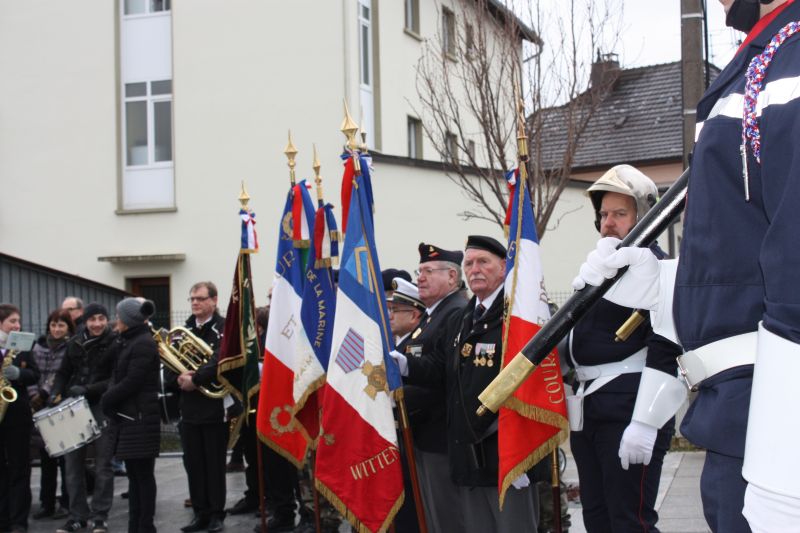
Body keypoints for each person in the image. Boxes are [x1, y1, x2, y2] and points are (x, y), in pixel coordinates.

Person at [572, 1, 800, 530]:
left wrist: (787, 440)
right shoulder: (767, 51)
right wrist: (666, 292)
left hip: (771, 409)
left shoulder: (788, 56)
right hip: (740, 407)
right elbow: (745, 251)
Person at [563, 166, 683, 531]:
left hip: (629, 411)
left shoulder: (661, 270)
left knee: (631, 522)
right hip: (590, 412)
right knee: (598, 521)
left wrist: (645, 423)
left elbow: (666, 346)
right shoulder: (603, 269)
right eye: (603, 214)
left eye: (619, 214)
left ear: (644, 214)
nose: (608, 223)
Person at [396, 236, 538, 533]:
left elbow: (532, 384)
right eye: (469, 263)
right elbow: (443, 370)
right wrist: (402, 363)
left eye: (483, 262)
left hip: (506, 450)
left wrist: (526, 452)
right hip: (469, 451)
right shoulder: (465, 317)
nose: (474, 269)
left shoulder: (517, 314)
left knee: (513, 526)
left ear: (503, 268)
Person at [402, 243, 468, 533]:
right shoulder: (433, 315)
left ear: (452, 277)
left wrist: (400, 395)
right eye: (420, 271)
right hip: (426, 432)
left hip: (441, 433)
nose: (420, 278)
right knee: (434, 515)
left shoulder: (455, 312)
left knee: (448, 516)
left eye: (428, 271)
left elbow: (444, 374)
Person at [51, 303, 117, 533]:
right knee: (72, 465)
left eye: (101, 318)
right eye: (93, 319)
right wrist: (55, 392)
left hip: (101, 405)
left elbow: (114, 379)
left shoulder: (115, 342)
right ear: (86, 321)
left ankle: (100, 516)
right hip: (75, 407)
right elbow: (63, 373)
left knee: (103, 465)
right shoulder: (75, 343)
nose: (97, 324)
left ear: (107, 320)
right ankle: (77, 515)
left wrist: (89, 389)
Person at [170, 282, 228, 533]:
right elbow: (171, 361)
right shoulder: (183, 331)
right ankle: (200, 513)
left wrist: (196, 379)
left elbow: (220, 359)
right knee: (193, 464)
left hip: (215, 407)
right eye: (192, 299)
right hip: (190, 408)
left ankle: (216, 513)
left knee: (214, 464)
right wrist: (178, 379)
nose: (195, 303)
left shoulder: (224, 328)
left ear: (214, 300)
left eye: (201, 299)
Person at [102, 298, 160, 533]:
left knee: (143, 476)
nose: (116, 321)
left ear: (128, 320)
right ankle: (135, 525)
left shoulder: (143, 343)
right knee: (135, 477)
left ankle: (145, 526)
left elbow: (133, 381)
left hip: (140, 417)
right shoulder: (128, 341)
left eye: (119, 317)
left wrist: (108, 398)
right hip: (130, 416)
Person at [386, 276, 427, 533]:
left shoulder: (413, 346)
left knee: (411, 507)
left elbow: (425, 387)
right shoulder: (398, 344)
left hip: (414, 433)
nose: (389, 315)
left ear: (414, 315)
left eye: (395, 310)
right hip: (397, 433)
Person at [29, 309, 74, 520]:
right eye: (54, 325)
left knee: (66, 461)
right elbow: (31, 373)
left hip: (61, 406)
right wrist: (34, 396)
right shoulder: (37, 347)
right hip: (39, 407)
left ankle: (66, 503)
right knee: (46, 461)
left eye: (61, 325)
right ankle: (46, 503)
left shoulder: (71, 348)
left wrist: (52, 393)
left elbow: (65, 374)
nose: (56, 329)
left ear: (68, 328)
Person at [0, 303, 40, 533]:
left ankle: (18, 521)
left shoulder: (23, 345)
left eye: (18, 321)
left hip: (17, 414)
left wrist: (19, 374)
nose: (17, 325)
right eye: (12, 321)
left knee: (19, 468)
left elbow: (35, 374)